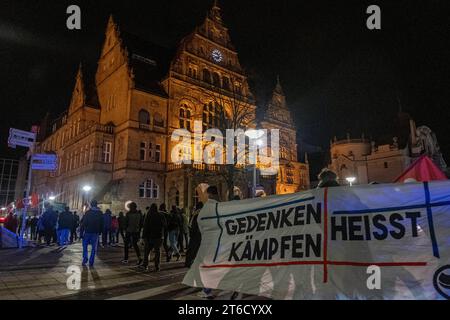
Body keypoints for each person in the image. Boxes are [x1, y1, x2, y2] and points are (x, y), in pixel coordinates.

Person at [140, 203, 167, 272]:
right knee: (157, 252)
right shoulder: (161, 215)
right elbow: (165, 225)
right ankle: (157, 266)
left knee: (147, 252)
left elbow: (145, 226)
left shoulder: (148, 215)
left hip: (149, 236)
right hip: (159, 236)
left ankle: (145, 265)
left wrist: (143, 237)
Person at [81, 200, 104, 267]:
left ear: (91, 205)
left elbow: (84, 223)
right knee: (94, 247)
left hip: (88, 231)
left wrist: (81, 232)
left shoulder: (88, 212)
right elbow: (102, 223)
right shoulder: (100, 213)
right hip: (96, 232)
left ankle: (85, 258)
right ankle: (91, 261)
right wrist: (100, 231)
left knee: (85, 246)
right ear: (96, 205)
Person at [185, 202, 203, 268]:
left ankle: (189, 262)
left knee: (192, 249)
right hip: (197, 234)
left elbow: (190, 224)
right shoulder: (200, 213)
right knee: (195, 249)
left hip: (194, 234)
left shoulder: (194, 213)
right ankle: (191, 262)